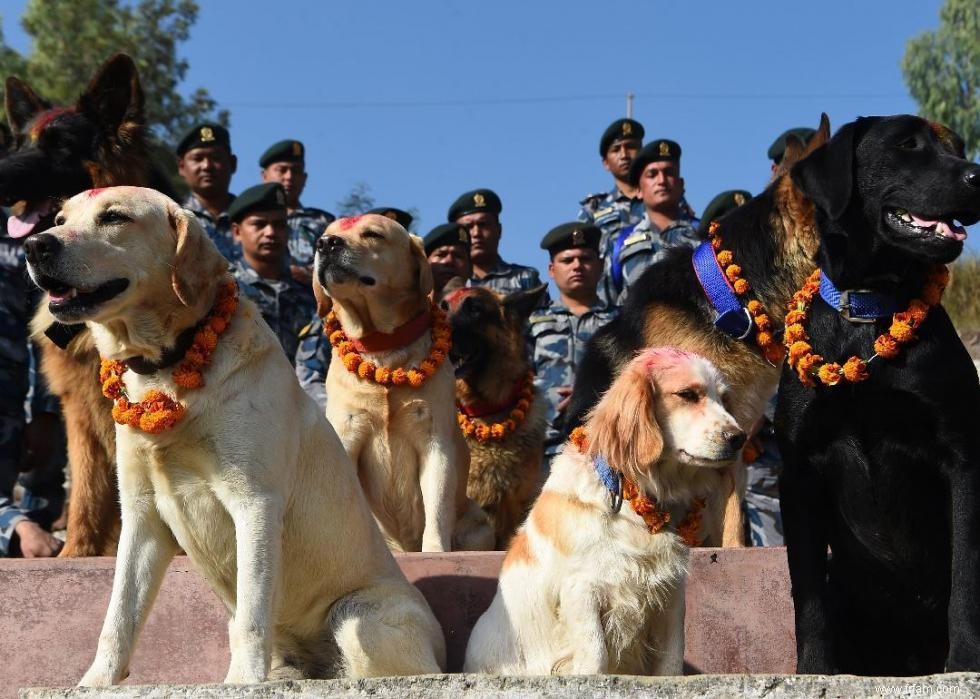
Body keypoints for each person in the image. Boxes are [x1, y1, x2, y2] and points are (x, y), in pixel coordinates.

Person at [528, 222, 618, 472]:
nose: (577, 266)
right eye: (567, 260)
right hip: (544, 447)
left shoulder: (622, 323)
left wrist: (595, 394)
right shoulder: (532, 323)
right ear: (551, 270)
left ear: (600, 266)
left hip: (605, 444)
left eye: (585, 258)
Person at [0, 216, 64, 558]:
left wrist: (46, 412)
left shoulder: (24, 231)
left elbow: (48, 329)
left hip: (17, 396)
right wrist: (20, 528)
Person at [602, 138, 700, 305]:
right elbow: (608, 305)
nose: (661, 181)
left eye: (669, 172)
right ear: (638, 190)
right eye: (652, 174)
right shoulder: (619, 243)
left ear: (681, 184)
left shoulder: (703, 235)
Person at [228, 183, 316, 363]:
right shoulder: (223, 289)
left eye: (279, 225)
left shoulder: (309, 293)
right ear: (237, 232)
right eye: (259, 224)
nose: (271, 233)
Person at [259, 139, 335, 287]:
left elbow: (339, 266)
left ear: (304, 178)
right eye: (282, 170)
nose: (289, 177)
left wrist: (310, 274)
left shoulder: (324, 221)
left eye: (296, 171)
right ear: (264, 176)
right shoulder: (247, 221)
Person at [447, 188, 545, 297]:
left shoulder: (525, 278)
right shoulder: (447, 283)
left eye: (483, 224)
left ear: (499, 230)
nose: (476, 233)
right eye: (468, 227)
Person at [577, 118, 646, 261]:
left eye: (631, 147)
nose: (624, 155)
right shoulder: (594, 209)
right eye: (616, 149)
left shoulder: (663, 199)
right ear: (606, 163)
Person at [176, 122, 238, 261]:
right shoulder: (170, 218)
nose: (207, 166)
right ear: (181, 167)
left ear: (233, 163)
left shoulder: (252, 218)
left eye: (216, 158)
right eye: (198, 159)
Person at [423, 222, 471, 295]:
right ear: (425, 262)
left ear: (469, 266)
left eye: (458, 256)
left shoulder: (485, 305)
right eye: (441, 255)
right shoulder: (406, 305)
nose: (449, 261)